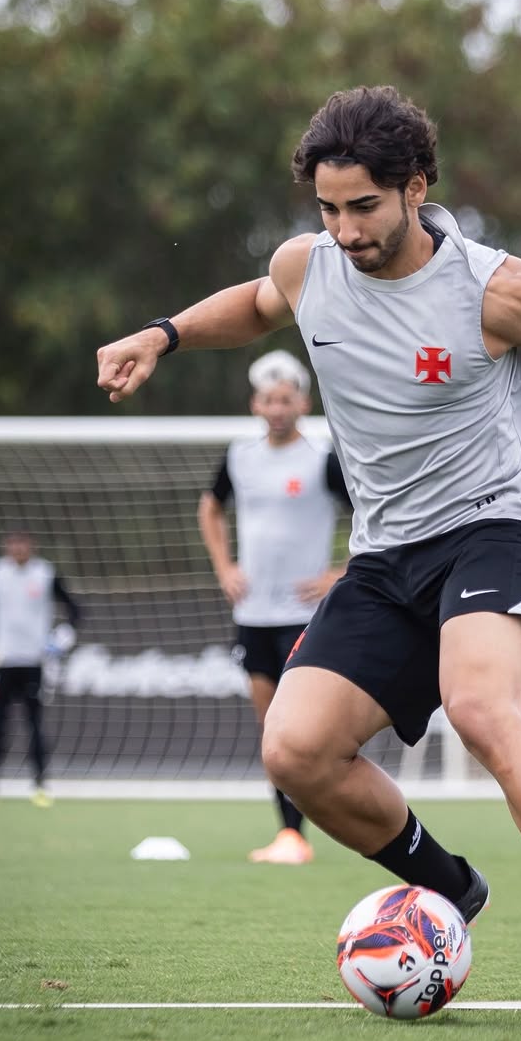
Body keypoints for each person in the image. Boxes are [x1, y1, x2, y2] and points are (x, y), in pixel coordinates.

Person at [96, 84, 521, 1026]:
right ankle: (448, 888)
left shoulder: (498, 289)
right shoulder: (309, 265)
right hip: (384, 554)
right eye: (328, 208)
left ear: (416, 187)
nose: (345, 230)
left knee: (480, 708)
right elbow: (258, 304)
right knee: (295, 748)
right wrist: (163, 335)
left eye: (363, 206)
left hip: (495, 528)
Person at [198, 348, 351, 864]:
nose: (278, 408)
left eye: (287, 399)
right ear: (255, 405)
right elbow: (210, 506)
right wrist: (225, 568)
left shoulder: (323, 458)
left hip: (305, 616)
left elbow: (374, 513)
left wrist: (338, 573)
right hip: (253, 616)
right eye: (269, 400)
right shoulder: (240, 457)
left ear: (303, 404)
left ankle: (330, 818)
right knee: (272, 729)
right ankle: (290, 834)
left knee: (306, 729)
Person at [0, 529, 81, 808]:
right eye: (13, 544)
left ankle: (40, 787)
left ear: (31, 546)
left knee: (35, 727)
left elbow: (75, 610)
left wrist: (61, 638)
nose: (18, 549)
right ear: (6, 546)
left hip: (34, 663)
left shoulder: (45, 573)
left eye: (22, 544)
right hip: (3, 662)